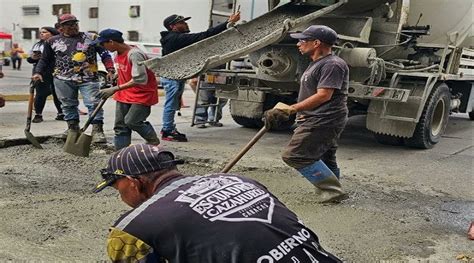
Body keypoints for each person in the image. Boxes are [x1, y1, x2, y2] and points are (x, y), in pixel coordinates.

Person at [94, 143, 342, 262]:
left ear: (132, 182)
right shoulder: (240, 180)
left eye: (116, 186)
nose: (119, 194)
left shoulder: (131, 228)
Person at [264, 25, 349, 203]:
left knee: (294, 154)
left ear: (317, 43)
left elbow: (324, 95)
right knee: (325, 155)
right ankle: (334, 194)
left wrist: (293, 108)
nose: (298, 44)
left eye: (303, 40)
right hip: (319, 117)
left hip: (325, 118)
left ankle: (333, 192)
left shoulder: (332, 64)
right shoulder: (317, 63)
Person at [32, 14, 115, 143]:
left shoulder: (91, 37)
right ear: (60, 28)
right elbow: (45, 59)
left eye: (74, 23)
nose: (73, 27)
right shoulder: (52, 41)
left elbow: (105, 54)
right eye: (68, 25)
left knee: (93, 103)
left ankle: (97, 130)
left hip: (88, 78)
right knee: (67, 104)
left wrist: (110, 69)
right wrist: (38, 72)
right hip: (62, 78)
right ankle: (72, 128)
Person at [159, 12, 240, 141]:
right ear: (173, 26)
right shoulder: (175, 39)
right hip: (172, 79)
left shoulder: (173, 38)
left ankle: (169, 128)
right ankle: (167, 130)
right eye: (182, 23)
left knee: (173, 104)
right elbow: (204, 36)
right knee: (171, 105)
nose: (186, 24)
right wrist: (228, 23)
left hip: (175, 78)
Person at [94, 29, 160, 150]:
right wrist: (117, 75)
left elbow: (140, 79)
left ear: (111, 42)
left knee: (132, 121)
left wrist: (114, 89)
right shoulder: (117, 52)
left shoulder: (135, 54)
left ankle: (152, 140)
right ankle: (120, 153)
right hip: (124, 94)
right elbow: (126, 69)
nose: (103, 47)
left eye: (103, 44)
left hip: (142, 94)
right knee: (120, 126)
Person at [27, 26, 64, 122]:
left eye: (45, 32)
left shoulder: (59, 43)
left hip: (56, 71)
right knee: (40, 93)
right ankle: (38, 114)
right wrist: (33, 58)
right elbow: (30, 59)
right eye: (41, 32)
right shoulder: (37, 45)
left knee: (58, 93)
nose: (42, 34)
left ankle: (61, 113)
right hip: (41, 71)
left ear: (52, 34)